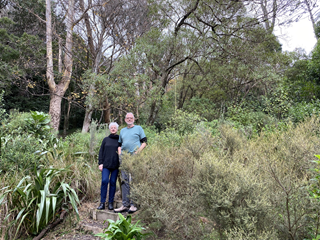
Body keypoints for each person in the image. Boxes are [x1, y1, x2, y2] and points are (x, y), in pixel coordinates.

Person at [114, 112, 147, 214]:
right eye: (127, 118)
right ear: (125, 120)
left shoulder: (138, 129)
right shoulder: (123, 131)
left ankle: (133, 205)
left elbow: (144, 142)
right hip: (124, 157)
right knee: (124, 181)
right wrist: (120, 155)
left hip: (134, 157)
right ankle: (125, 204)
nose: (129, 119)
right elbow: (119, 144)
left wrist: (137, 153)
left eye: (131, 118)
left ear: (134, 119)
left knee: (134, 180)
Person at [97, 122, 120, 210]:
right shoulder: (105, 139)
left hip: (115, 165)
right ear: (109, 129)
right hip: (106, 165)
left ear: (117, 129)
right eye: (111, 127)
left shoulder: (119, 140)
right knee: (104, 181)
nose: (113, 129)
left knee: (113, 183)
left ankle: (110, 202)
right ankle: (102, 203)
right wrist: (100, 163)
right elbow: (101, 152)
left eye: (115, 127)